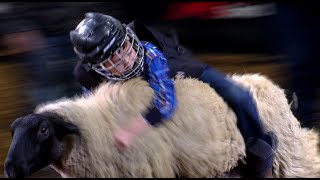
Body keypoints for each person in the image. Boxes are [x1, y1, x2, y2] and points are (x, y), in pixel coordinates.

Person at [70, 12, 278, 178]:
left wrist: (131, 130)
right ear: (98, 68)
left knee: (239, 95)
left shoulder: (149, 53)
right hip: (145, 124)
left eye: (125, 48)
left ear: (128, 37)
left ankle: (261, 155)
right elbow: (96, 124)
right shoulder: (92, 81)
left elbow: (165, 105)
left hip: (178, 69)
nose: (127, 60)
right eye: (113, 60)